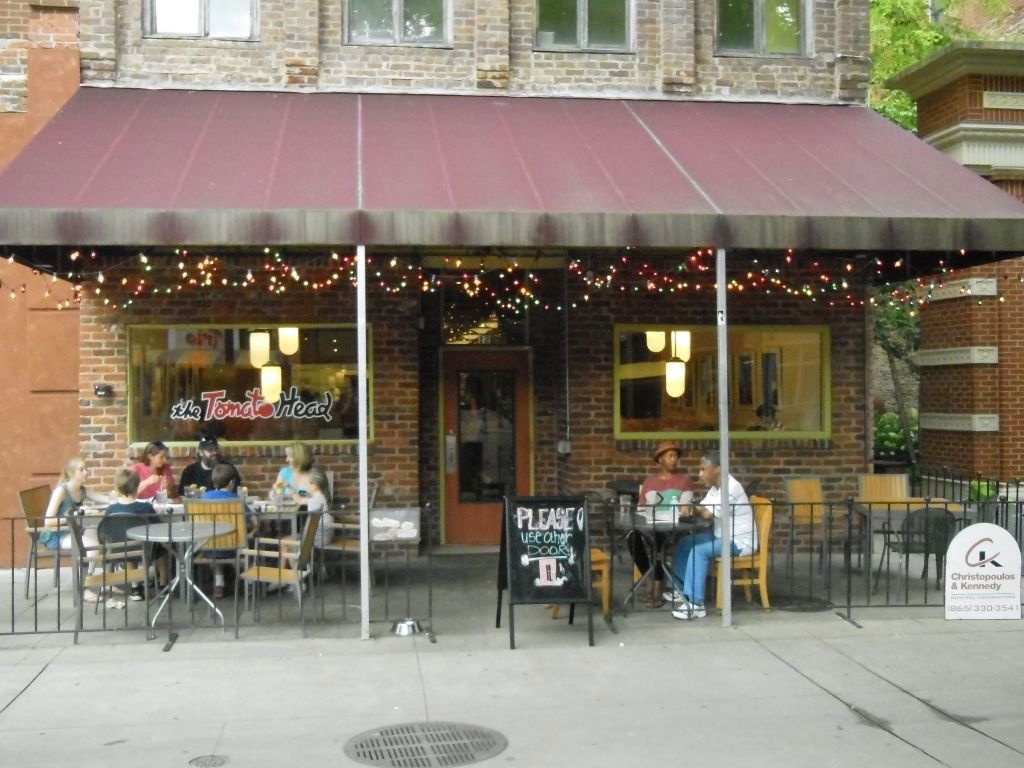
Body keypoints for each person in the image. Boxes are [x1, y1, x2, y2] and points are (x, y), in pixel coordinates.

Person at [666, 450, 756, 620]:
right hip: (721, 536)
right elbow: (702, 506)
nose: (700, 475)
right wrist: (690, 507)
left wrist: (694, 506)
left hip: (739, 542)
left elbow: (707, 514)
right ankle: (680, 589)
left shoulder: (731, 488)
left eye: (703, 469)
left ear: (718, 469)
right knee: (686, 542)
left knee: (699, 551)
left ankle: (696, 604)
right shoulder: (716, 488)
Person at [627, 440, 693, 608]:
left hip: (674, 529)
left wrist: (680, 510)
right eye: (670, 456)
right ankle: (648, 579)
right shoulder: (650, 482)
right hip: (652, 525)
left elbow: (685, 509)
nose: (674, 460)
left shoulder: (684, 481)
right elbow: (641, 510)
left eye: (676, 457)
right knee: (632, 537)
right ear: (660, 460)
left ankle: (657, 588)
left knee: (658, 537)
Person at [40, 457, 109, 602]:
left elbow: (104, 499)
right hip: (57, 535)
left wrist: (123, 498)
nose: (86, 472)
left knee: (102, 535)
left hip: (74, 531)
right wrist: (75, 516)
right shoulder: (62, 491)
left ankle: (103, 581)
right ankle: (83, 588)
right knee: (92, 548)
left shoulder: (82, 490)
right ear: (71, 473)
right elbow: (48, 521)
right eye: (82, 469)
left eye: (86, 469)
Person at [104, 468, 165, 600]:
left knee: (128, 545)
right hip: (145, 549)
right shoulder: (145, 508)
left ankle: (135, 587)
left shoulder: (111, 509)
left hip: (119, 549)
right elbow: (158, 527)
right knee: (163, 547)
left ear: (117, 488)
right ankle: (163, 585)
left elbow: (106, 529)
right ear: (137, 487)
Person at [200, 463, 248, 598]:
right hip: (234, 548)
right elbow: (250, 521)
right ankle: (247, 581)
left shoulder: (204, 498)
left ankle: (219, 582)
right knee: (247, 537)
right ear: (232, 482)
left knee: (216, 539)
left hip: (207, 546)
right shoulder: (236, 500)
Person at [177, 436, 242, 497]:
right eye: (210, 450)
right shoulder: (190, 471)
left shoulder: (228, 469)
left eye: (216, 449)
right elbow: (182, 495)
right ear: (200, 452)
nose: (214, 452)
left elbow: (236, 492)